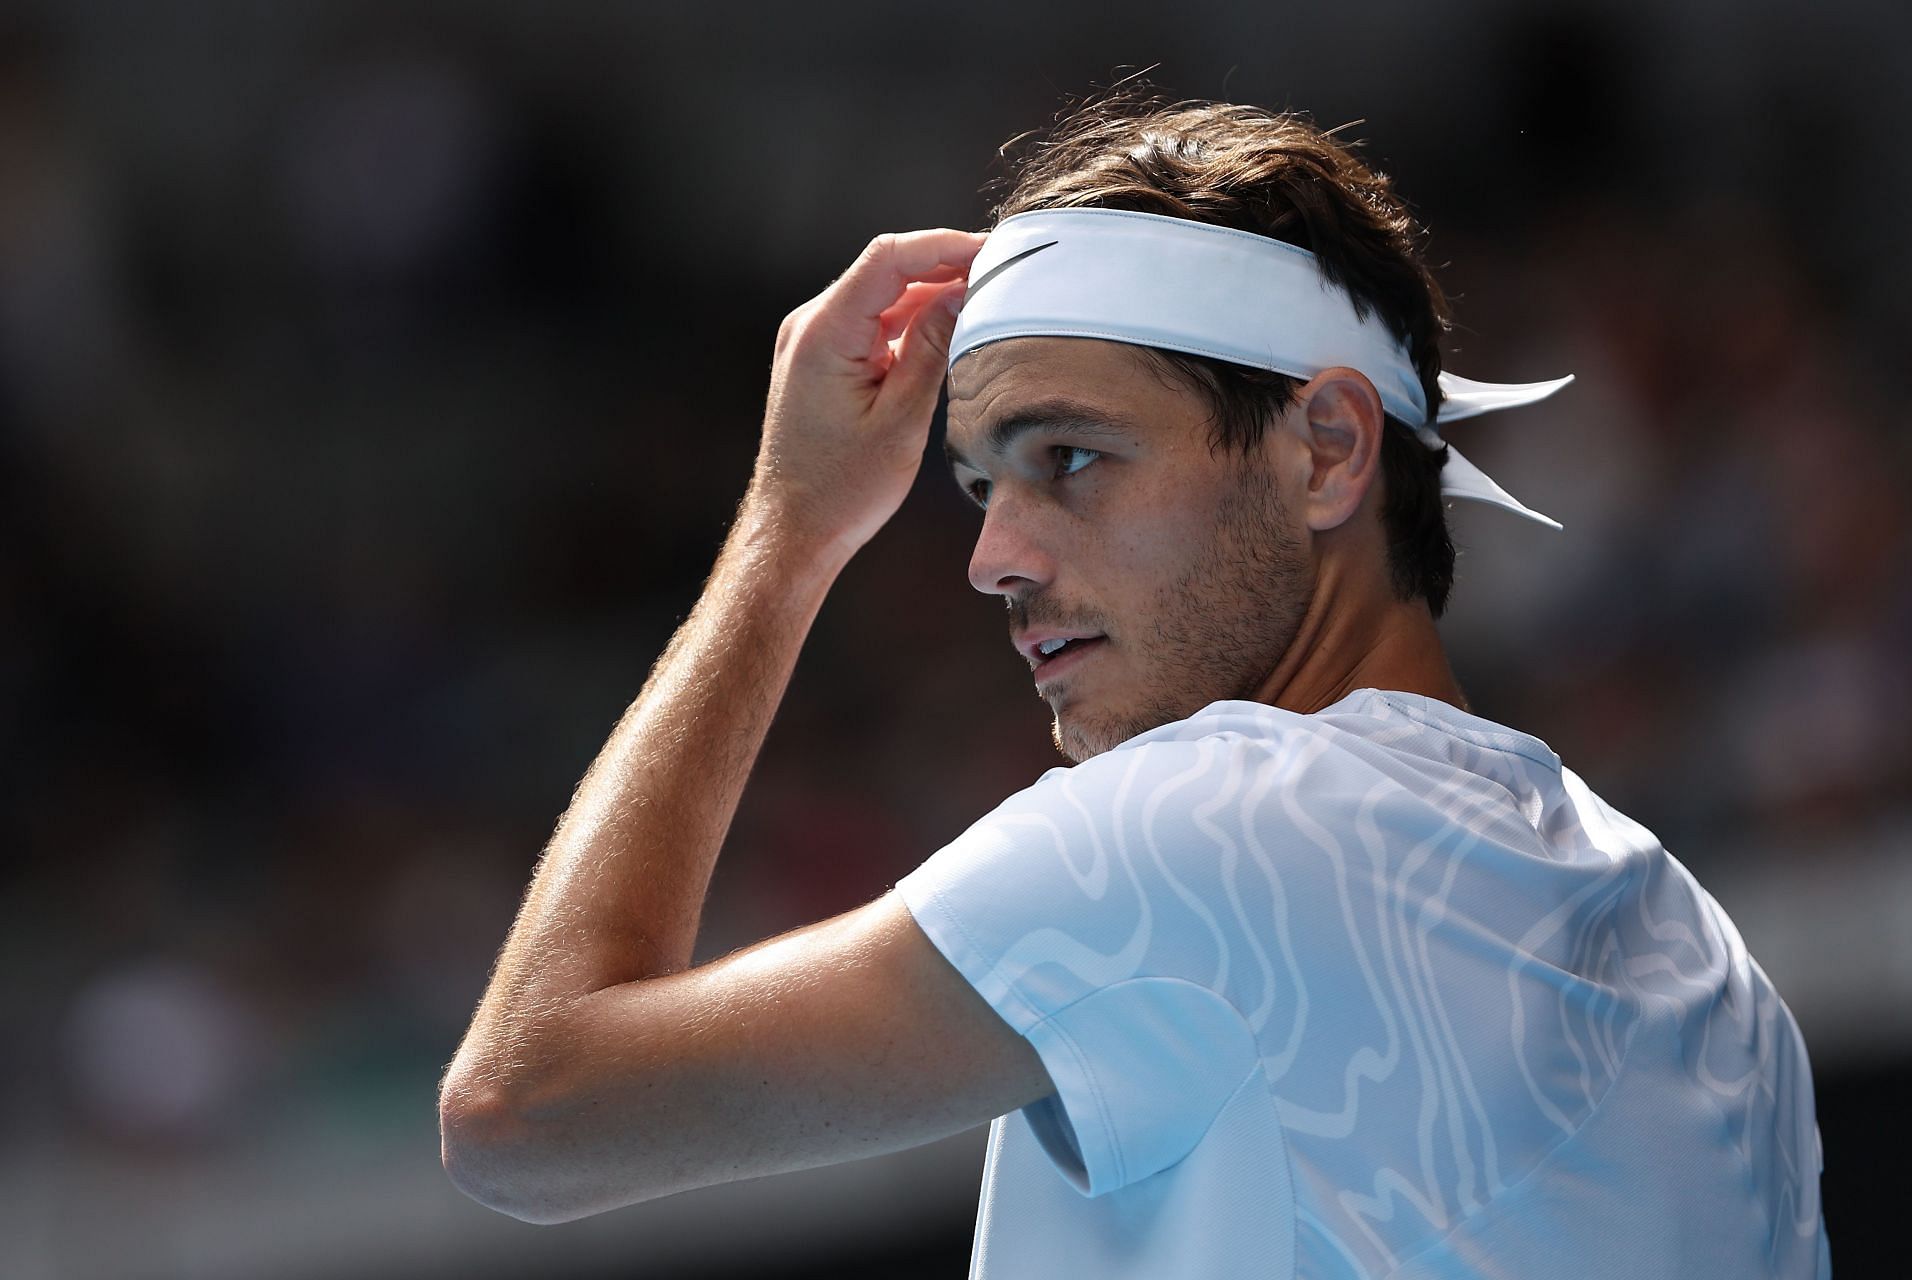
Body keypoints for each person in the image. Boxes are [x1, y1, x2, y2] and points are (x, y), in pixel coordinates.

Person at [438, 93, 1831, 1278]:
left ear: (1330, 450)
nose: (991, 558)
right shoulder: (1709, 967)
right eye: (980, 485)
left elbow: (524, 1109)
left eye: (1072, 459)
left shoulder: (1216, 824)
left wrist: (788, 533)